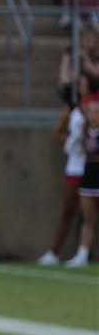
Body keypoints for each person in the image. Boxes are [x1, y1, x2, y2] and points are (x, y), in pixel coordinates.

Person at [38, 73, 92, 265]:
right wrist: (70, 141)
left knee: (89, 215)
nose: (83, 89)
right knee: (68, 210)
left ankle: (83, 253)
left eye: (87, 86)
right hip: (74, 167)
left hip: (91, 166)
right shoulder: (73, 109)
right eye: (81, 86)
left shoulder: (94, 108)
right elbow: (57, 133)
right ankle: (54, 252)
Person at [64, 90, 99, 266]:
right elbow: (69, 147)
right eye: (90, 112)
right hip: (88, 175)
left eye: (97, 112)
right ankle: (82, 255)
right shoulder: (83, 131)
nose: (93, 115)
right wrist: (75, 137)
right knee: (88, 219)